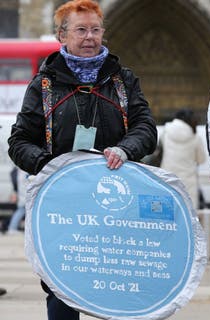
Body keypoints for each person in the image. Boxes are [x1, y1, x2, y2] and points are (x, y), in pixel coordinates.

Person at [7, 1, 157, 319]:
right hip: (62, 206)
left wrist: (125, 149)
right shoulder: (43, 85)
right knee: (61, 291)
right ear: (61, 36)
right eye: (81, 30)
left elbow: (146, 128)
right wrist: (50, 165)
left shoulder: (123, 81)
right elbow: (19, 142)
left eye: (96, 29)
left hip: (117, 203)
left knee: (119, 289)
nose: (90, 37)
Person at [160, 108, 206, 209]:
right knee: (188, 213)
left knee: (169, 211)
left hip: (168, 178)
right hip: (188, 182)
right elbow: (202, 160)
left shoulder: (165, 133)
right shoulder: (196, 138)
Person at [6, 167, 27, 235]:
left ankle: (12, 228)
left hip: (22, 195)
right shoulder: (23, 172)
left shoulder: (19, 171)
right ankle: (12, 228)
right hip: (24, 195)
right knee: (21, 210)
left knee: (21, 210)